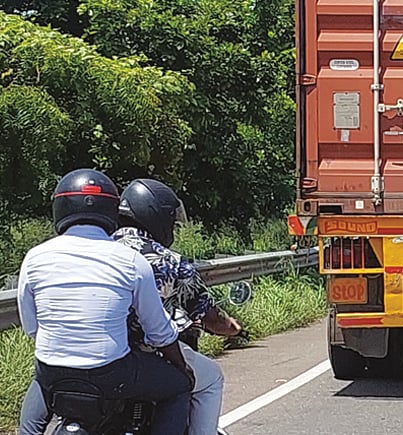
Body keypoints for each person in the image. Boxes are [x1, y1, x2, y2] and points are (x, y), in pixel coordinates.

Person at [17, 169, 194, 435]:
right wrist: (182, 367)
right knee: (179, 386)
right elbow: (159, 331)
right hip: (112, 375)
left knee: (41, 385)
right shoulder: (131, 261)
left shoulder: (34, 257)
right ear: (112, 209)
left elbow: (32, 327)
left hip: (53, 374)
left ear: (61, 207)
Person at [113, 178, 245, 435]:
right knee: (211, 379)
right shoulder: (168, 261)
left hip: (101, 357)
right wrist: (234, 329)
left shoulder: (95, 249)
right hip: (149, 355)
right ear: (156, 217)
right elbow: (206, 313)